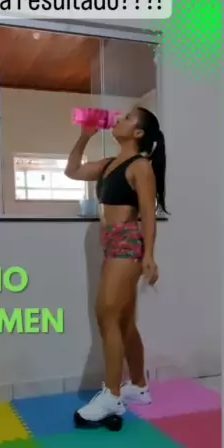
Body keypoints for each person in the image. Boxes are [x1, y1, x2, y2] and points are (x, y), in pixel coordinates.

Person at [65, 106, 167, 427]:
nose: (119, 119)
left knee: (106, 314)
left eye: (127, 119)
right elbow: (72, 171)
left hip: (127, 245)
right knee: (123, 321)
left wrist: (149, 255)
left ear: (137, 133)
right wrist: (84, 136)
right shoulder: (110, 164)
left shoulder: (141, 166)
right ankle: (139, 385)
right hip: (111, 246)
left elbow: (148, 215)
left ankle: (111, 395)